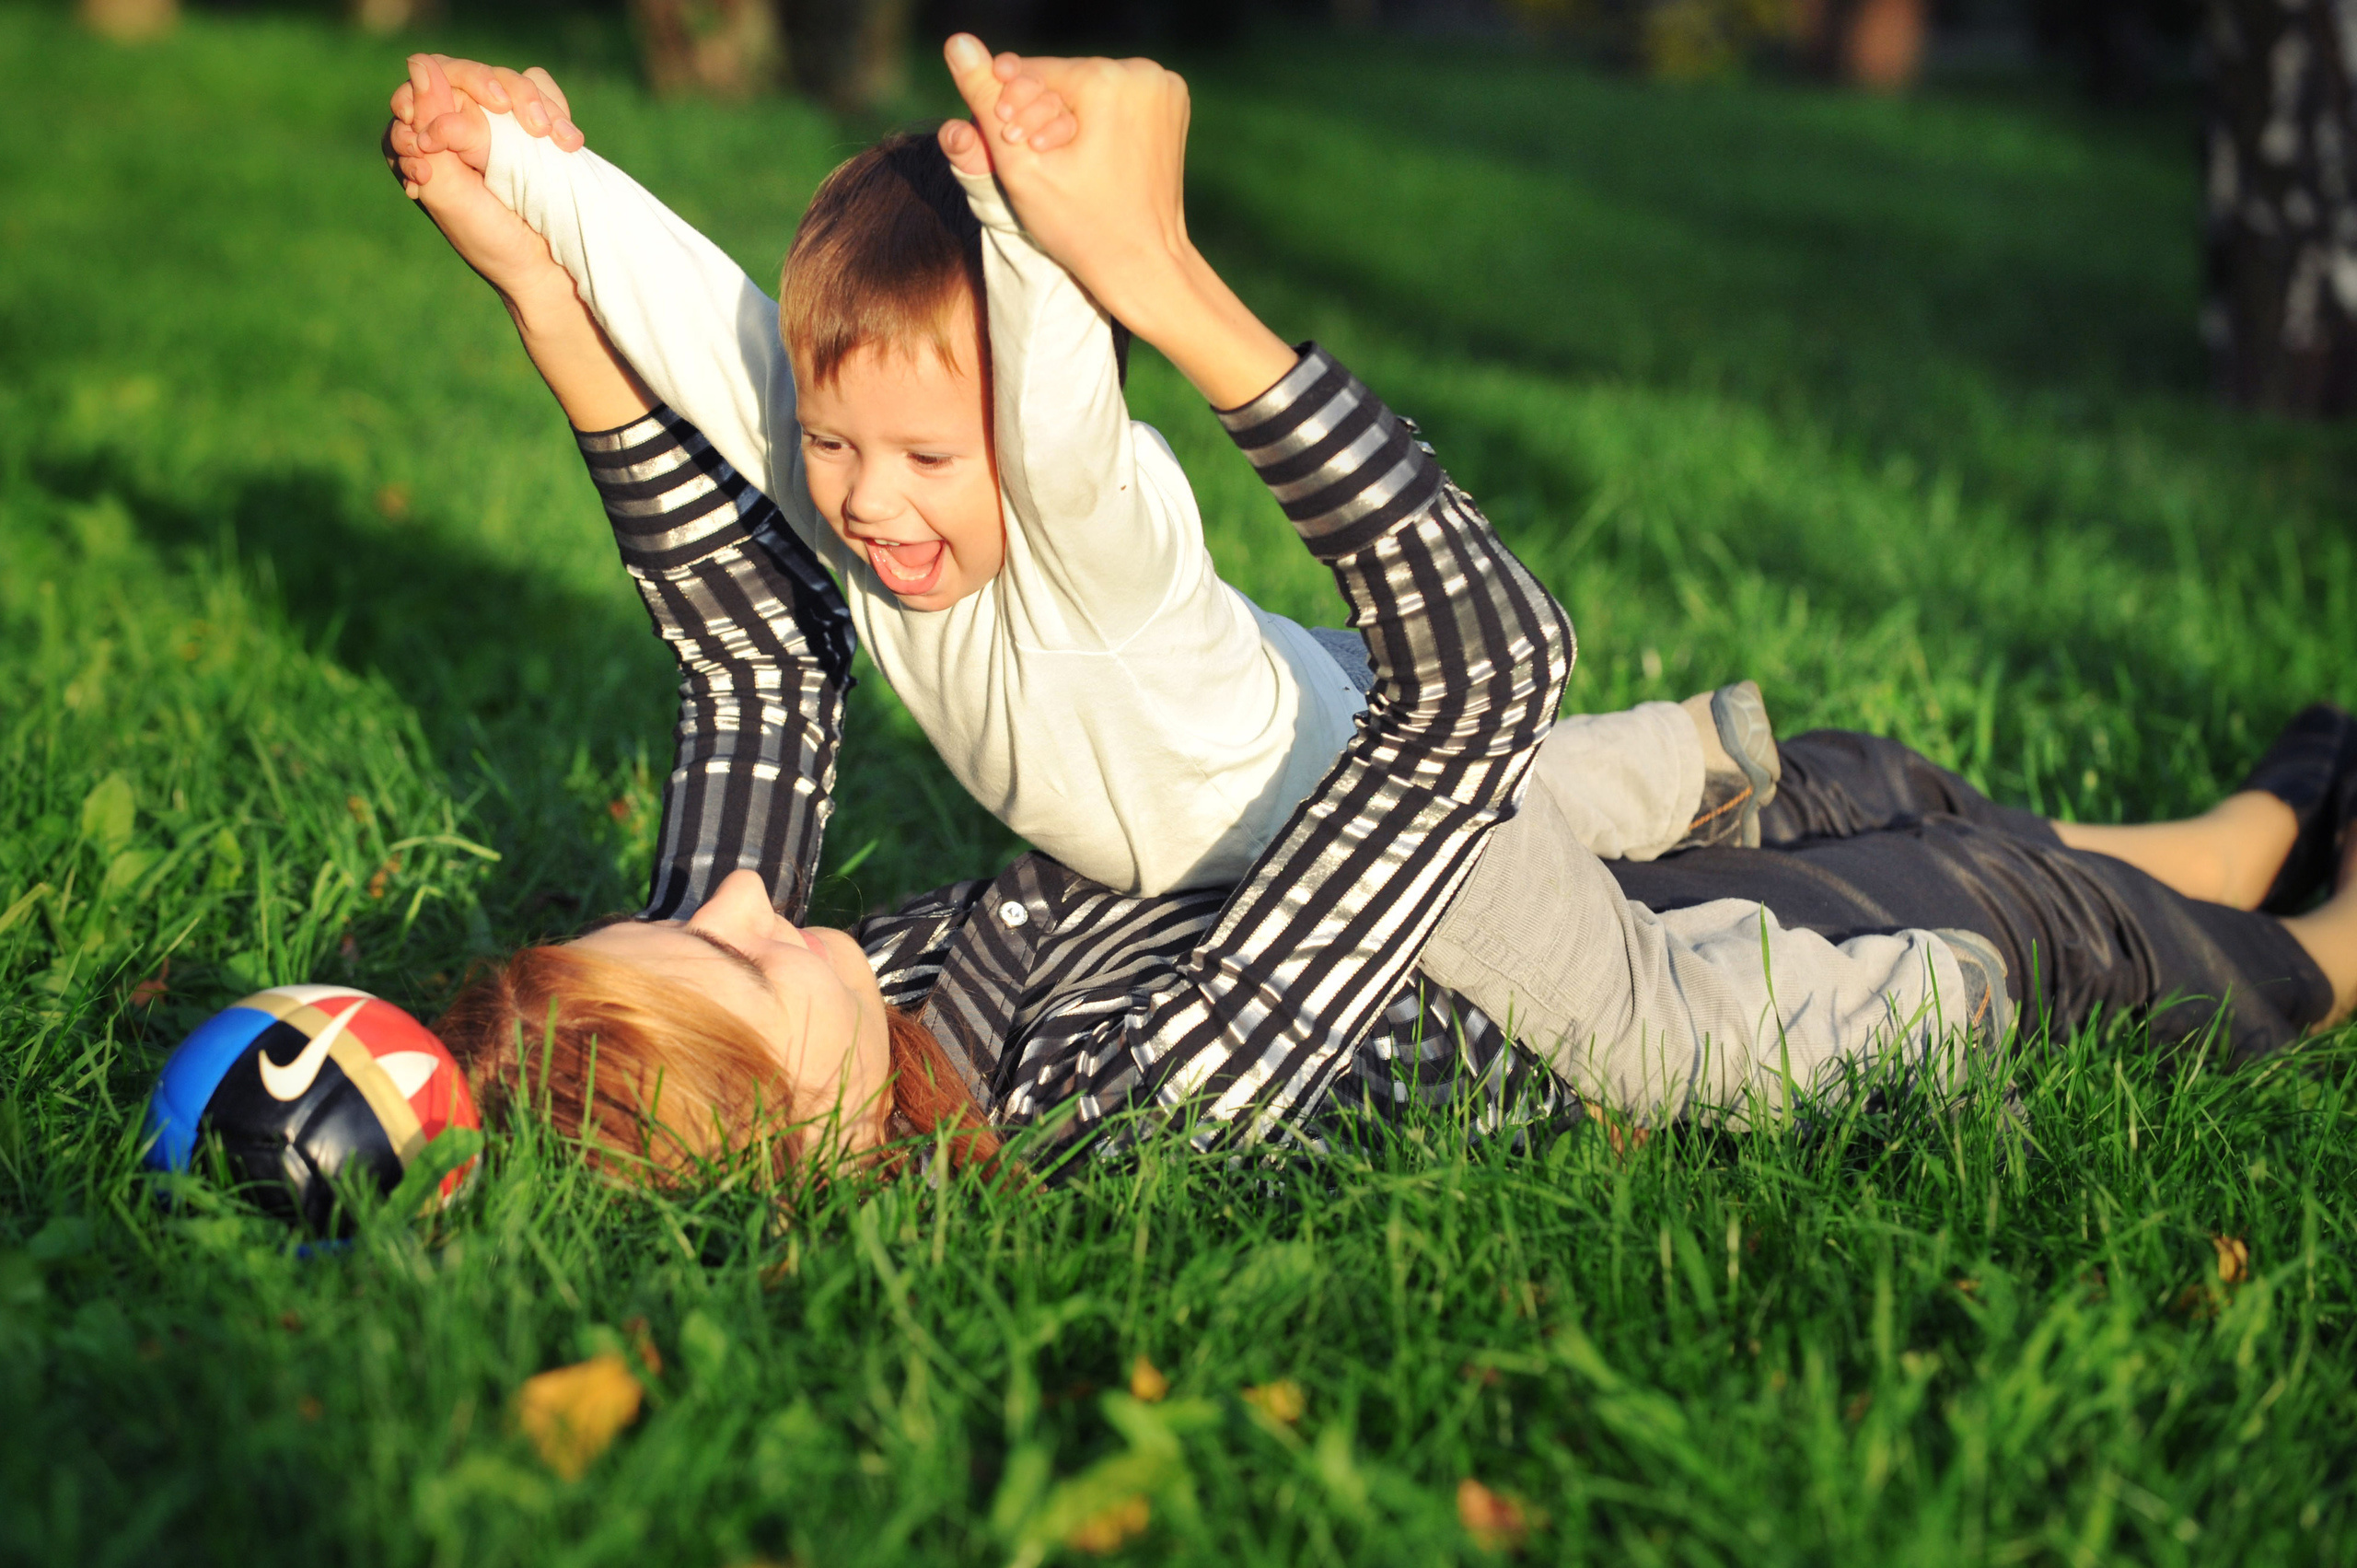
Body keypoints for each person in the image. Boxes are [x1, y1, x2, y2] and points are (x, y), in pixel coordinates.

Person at [428, 41, 2357, 1183]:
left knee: (1835, 782)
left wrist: (547, 268)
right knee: (2006, 921)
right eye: (744, 959)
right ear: (816, 1147)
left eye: (690, 912)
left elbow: (755, 651)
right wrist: (1170, 287)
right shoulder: (1135, 1102)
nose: (755, 902)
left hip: (1446, 842)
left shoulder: (852, 1004)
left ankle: (2248, 826)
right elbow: (1487, 680)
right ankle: (2315, 935)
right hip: (1606, 992)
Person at [384, 52, 1784, 919]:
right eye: (831, 444)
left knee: (1547, 806)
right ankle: (1684, 759)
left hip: (1343, 782)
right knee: (1551, 805)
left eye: (930, 458)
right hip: (1219, 779)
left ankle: (1704, 753)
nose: (866, 502)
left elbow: (1051, 392)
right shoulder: (862, 483)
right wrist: (503, 156)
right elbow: (693, 314)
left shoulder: (1083, 523)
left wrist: (1016, 200)